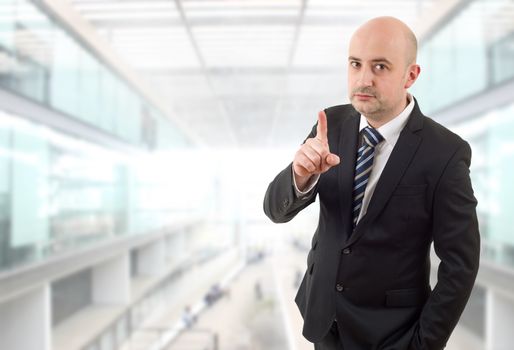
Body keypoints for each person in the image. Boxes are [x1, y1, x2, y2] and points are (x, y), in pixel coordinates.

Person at [263, 16, 480, 350]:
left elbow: (461, 265)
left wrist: (423, 343)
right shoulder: (330, 125)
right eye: (355, 64)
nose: (363, 79)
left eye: (380, 66)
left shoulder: (445, 153)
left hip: (393, 334)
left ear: (411, 75)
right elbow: (274, 211)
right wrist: (300, 176)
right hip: (323, 320)